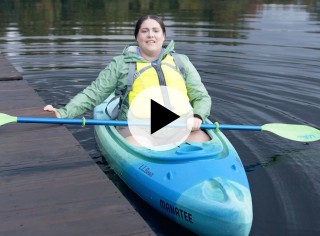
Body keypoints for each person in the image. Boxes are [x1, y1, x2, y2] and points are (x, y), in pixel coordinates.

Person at [44, 14, 211, 145]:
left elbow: (201, 96)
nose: (150, 35)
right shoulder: (121, 64)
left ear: (164, 36)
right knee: (140, 145)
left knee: (206, 142)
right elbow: (94, 93)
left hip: (180, 126)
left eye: (155, 30)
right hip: (137, 129)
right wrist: (63, 112)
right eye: (144, 31)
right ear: (137, 37)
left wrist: (197, 116)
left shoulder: (181, 61)